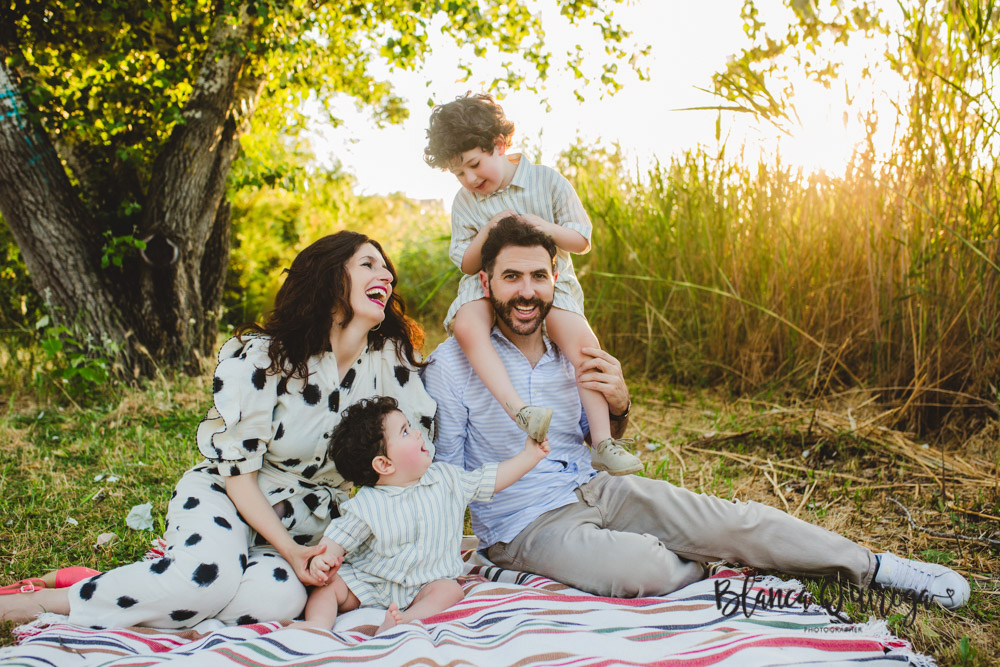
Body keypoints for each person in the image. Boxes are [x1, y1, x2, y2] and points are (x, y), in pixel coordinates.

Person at [423, 216, 971, 609]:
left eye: (538, 277)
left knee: (734, 519)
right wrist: (440, 566)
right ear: (486, 282)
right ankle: (716, 562)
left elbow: (604, 440)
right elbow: (445, 474)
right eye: (512, 277)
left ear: (554, 282)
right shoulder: (454, 363)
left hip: (596, 488)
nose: (526, 292)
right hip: (524, 524)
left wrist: (620, 403)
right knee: (645, 569)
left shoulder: (572, 346)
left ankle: (877, 567)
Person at [0, 231, 437, 629]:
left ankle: (131, 586)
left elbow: (418, 453)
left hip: (313, 525)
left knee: (275, 602)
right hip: (228, 496)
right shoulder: (268, 359)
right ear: (327, 278)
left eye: (387, 270)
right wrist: (289, 550)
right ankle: (45, 601)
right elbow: (238, 475)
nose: (385, 276)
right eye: (368, 264)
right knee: (203, 586)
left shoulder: (391, 362)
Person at [423, 92, 641, 476]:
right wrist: (489, 228)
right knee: (467, 326)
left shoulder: (545, 180)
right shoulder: (465, 202)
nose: (470, 179)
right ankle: (518, 408)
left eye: (474, 165)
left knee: (583, 346)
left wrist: (543, 227)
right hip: (485, 281)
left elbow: (581, 239)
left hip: (549, 282)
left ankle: (604, 440)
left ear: (500, 144)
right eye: (459, 174)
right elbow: (465, 262)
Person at [294, 396, 550, 634]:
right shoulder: (367, 504)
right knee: (328, 586)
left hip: (427, 583)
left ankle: (403, 621)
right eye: (405, 431)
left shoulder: (447, 480)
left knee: (450, 591)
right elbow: (339, 538)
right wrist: (323, 560)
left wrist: (530, 456)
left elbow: (490, 480)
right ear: (384, 464)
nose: (417, 433)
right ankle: (317, 625)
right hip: (371, 581)